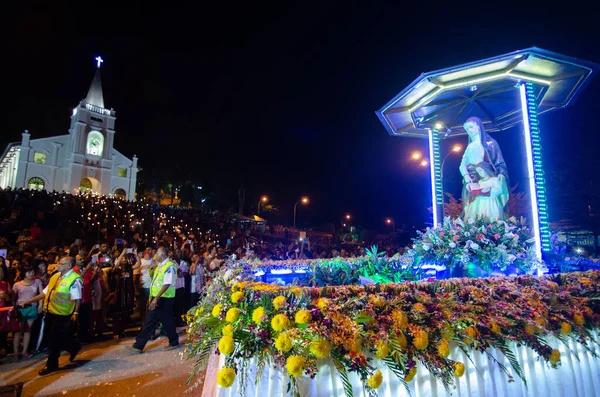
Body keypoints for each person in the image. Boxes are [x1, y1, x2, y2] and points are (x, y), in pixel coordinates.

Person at [21, 256, 83, 376]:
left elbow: (77, 299)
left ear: (69, 266)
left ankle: (52, 365)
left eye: (61, 263)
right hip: (50, 312)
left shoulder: (74, 279)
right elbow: (45, 292)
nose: (57, 265)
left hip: (63, 315)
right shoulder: (55, 276)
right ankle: (73, 347)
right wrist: (29, 301)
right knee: (54, 338)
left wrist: (76, 313)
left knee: (55, 340)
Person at [459, 116, 509, 222]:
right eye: (467, 129)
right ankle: (476, 232)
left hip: (488, 180)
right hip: (473, 181)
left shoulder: (491, 144)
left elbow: (499, 161)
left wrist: (501, 173)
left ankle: (492, 230)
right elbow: (463, 164)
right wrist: (466, 176)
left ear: (478, 127)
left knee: (492, 208)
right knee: (472, 210)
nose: (469, 131)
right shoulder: (470, 147)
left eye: (471, 127)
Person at [131, 247, 179, 353]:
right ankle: (173, 340)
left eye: (157, 253)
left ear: (163, 255)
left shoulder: (169, 267)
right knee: (163, 320)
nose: (155, 255)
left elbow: (167, 284)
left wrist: (156, 298)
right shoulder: (160, 266)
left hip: (164, 298)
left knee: (153, 321)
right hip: (158, 297)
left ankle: (139, 345)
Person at [12, 266, 43, 359]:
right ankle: (16, 352)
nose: (31, 274)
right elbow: (13, 298)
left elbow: (42, 294)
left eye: (33, 272)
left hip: (32, 307)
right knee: (18, 331)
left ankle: (25, 351)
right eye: (29, 272)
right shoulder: (17, 285)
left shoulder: (37, 282)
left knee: (28, 330)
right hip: (20, 309)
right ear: (23, 273)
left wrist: (40, 305)